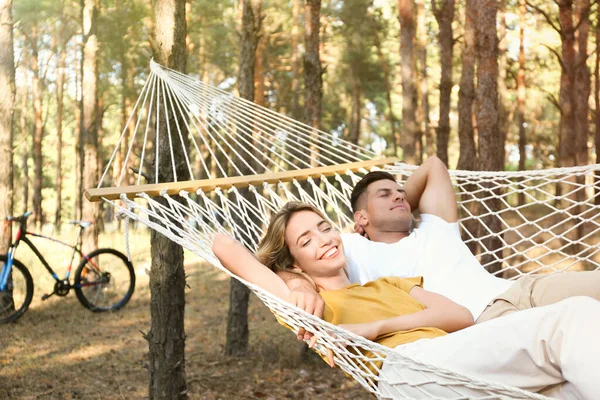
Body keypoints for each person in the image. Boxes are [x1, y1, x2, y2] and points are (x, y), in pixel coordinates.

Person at [212, 202, 600, 399]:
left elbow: (461, 315)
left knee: (567, 385)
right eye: (306, 240)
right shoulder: (310, 307)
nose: (324, 240)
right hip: (409, 372)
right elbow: (223, 245)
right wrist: (291, 283)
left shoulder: (388, 284)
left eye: (324, 228)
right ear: (294, 259)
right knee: (574, 316)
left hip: (453, 359)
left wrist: (377, 326)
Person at [280, 156, 600, 332]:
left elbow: (434, 165)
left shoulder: (434, 227)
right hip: (485, 324)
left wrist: (394, 201)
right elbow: (288, 261)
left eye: (400, 192)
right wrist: (301, 288)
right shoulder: (348, 246)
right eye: (385, 194)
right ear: (360, 218)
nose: (398, 195)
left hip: (522, 289)